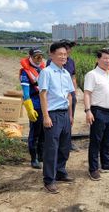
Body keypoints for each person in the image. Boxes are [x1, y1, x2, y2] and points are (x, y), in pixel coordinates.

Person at [39, 42, 75, 194]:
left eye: (65, 54)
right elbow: (43, 94)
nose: (63, 57)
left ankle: (60, 171)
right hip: (52, 114)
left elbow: (69, 95)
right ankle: (49, 180)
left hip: (64, 114)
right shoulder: (46, 72)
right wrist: (46, 115)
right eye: (60, 54)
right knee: (51, 148)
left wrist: (70, 115)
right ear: (51, 55)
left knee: (65, 146)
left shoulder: (66, 73)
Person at [84, 48, 109, 181]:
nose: (107, 61)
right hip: (98, 111)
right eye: (105, 58)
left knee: (108, 139)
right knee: (96, 141)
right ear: (98, 59)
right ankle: (93, 169)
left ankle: (106, 163)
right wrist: (88, 111)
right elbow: (87, 94)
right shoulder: (92, 74)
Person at [46, 39, 79, 151]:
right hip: (55, 100)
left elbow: (73, 76)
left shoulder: (71, 62)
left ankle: (67, 140)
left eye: (69, 49)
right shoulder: (50, 65)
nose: (68, 51)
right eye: (65, 48)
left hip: (69, 93)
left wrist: (74, 91)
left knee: (70, 118)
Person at [19, 48, 45, 169]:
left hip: (45, 104)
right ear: (30, 57)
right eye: (36, 57)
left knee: (44, 132)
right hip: (35, 105)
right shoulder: (25, 72)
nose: (39, 59)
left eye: (40, 57)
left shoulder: (43, 69)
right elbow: (25, 92)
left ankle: (41, 155)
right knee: (35, 132)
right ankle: (33, 158)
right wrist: (29, 108)